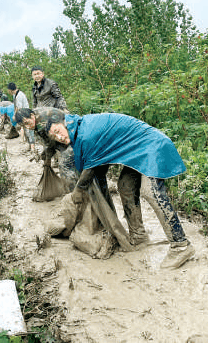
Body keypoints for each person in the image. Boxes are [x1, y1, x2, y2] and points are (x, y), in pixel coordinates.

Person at [45, 112, 195, 269]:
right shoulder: (80, 132)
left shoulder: (85, 135)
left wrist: (78, 191)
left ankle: (181, 245)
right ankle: (139, 236)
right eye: (54, 137)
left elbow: (90, 170)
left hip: (152, 146)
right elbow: (99, 169)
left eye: (58, 131)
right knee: (125, 187)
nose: (59, 137)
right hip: (137, 152)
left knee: (150, 192)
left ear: (66, 123)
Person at [8, 82, 36, 154]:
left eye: (9, 91)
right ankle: (29, 146)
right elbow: (16, 107)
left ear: (10, 90)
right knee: (26, 132)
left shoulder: (19, 96)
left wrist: (15, 116)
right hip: (23, 114)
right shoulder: (15, 95)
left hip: (26, 115)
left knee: (29, 131)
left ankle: (33, 148)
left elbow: (19, 108)